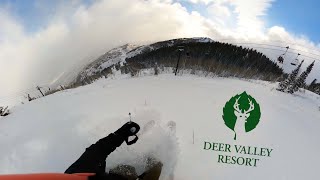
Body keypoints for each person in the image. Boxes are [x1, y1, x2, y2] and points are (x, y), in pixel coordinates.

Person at [0, 121, 163, 180]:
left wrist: (120, 133)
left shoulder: (79, 172)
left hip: (92, 174)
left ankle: (153, 160)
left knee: (125, 170)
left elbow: (96, 152)